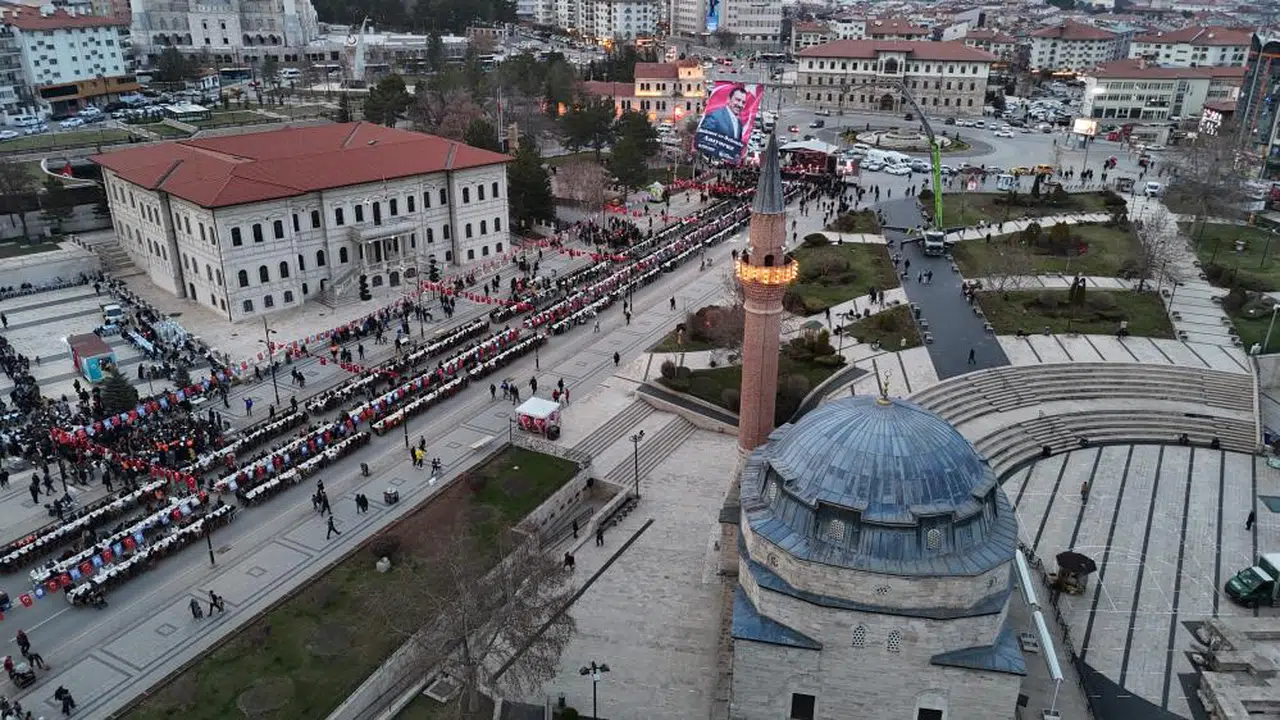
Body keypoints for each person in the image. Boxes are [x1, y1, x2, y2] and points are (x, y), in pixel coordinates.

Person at [698, 85, 749, 151]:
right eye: (737, 100)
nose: (740, 105)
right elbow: (702, 138)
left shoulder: (739, 124)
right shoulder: (715, 116)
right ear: (729, 99)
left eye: (743, 102)